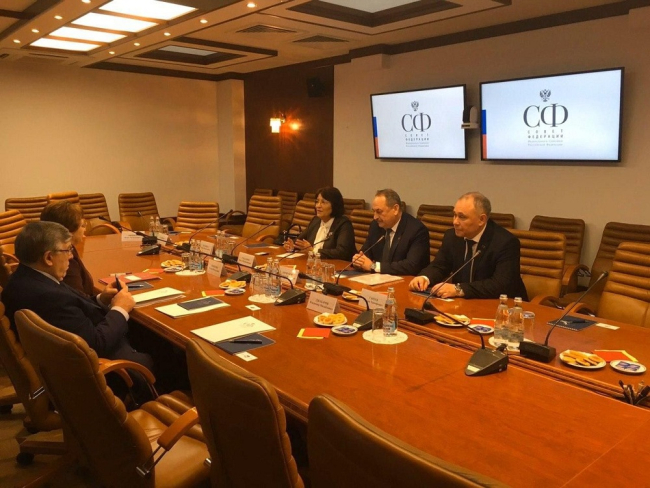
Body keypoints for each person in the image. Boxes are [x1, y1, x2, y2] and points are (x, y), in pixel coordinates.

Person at [1, 221, 153, 371]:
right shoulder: (49, 297)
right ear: (48, 258)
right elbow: (97, 344)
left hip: (75, 353)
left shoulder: (24, 278)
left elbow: (73, 309)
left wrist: (101, 299)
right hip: (108, 369)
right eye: (67, 250)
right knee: (159, 347)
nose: (71, 256)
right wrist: (120, 308)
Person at [409, 192, 528, 300]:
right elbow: (440, 266)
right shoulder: (452, 236)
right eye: (454, 215)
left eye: (462, 217)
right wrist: (425, 278)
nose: (455, 222)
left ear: (481, 219)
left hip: (501, 306)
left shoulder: (505, 242)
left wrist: (459, 289)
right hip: (463, 304)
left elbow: (501, 285)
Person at [352, 189, 429, 275]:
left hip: (405, 280)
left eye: (379, 211)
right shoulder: (376, 226)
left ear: (395, 209)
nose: (375, 217)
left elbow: (411, 266)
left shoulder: (416, 230)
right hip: (378, 279)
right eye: (374, 211)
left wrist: (374, 266)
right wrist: (359, 260)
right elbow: (366, 252)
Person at [283, 187, 356, 261]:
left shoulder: (344, 224)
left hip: (337, 266)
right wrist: (292, 245)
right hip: (314, 263)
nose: (318, 206)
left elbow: (342, 252)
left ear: (334, 205)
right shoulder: (316, 220)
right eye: (317, 202)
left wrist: (314, 251)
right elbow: (300, 241)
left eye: (323, 202)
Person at [40, 201, 94, 296]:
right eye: (82, 225)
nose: (85, 229)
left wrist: (101, 298)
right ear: (67, 230)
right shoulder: (61, 259)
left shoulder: (44, 247)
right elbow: (77, 299)